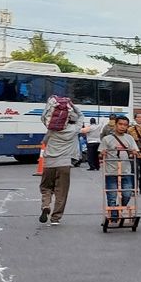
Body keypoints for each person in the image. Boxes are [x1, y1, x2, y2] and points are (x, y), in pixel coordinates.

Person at [38, 96, 84, 225]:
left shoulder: (51, 130)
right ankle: (55, 218)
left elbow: (43, 118)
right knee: (61, 191)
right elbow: (81, 116)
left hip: (49, 164)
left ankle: (46, 205)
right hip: (64, 164)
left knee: (46, 187)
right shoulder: (74, 130)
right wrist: (71, 104)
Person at [100, 115, 140, 219]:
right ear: (115, 125)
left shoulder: (129, 138)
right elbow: (100, 153)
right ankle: (113, 216)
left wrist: (134, 152)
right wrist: (102, 153)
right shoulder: (106, 139)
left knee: (127, 193)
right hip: (111, 171)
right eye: (120, 124)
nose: (122, 127)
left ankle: (120, 208)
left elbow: (135, 151)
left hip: (126, 171)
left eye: (125, 125)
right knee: (112, 195)